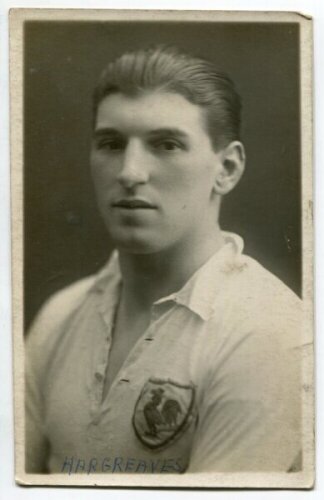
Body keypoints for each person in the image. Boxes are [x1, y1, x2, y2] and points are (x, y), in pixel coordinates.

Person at [25, 45, 302, 474]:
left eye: (166, 144)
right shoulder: (60, 316)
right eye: (111, 144)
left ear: (226, 168)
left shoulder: (270, 333)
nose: (130, 172)